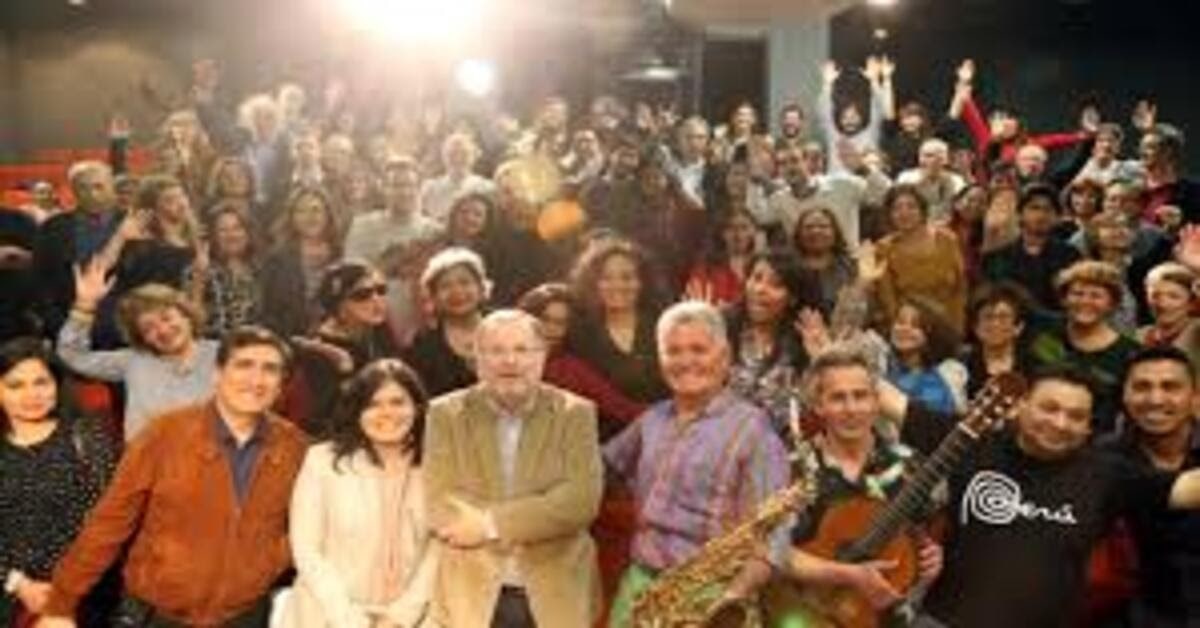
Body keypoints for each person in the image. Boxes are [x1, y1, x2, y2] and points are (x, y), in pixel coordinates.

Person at [884, 365, 1200, 628]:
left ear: (1089, 427)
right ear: (1021, 406)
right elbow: (885, 399)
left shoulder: (1108, 473)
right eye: (1049, 408)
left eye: (1076, 416)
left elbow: (1187, 489)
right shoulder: (972, 439)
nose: (1060, 423)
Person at [35, 326, 308, 627]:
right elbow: (110, 522)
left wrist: (269, 563)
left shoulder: (296, 447)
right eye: (244, 365)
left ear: (281, 385)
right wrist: (61, 603)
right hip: (160, 613)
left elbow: (311, 526)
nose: (256, 380)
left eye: (270, 369)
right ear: (217, 374)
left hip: (245, 614)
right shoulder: (164, 434)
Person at [604, 301, 790, 626]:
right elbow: (600, 467)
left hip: (711, 594)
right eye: (673, 351)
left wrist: (729, 599)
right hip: (639, 586)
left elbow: (773, 537)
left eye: (698, 350)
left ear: (725, 356)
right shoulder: (652, 419)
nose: (685, 361)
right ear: (660, 360)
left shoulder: (754, 430)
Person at [422, 309, 603, 628]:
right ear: (477, 358)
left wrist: (491, 525)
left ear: (542, 356)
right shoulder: (444, 414)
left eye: (522, 349)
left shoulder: (576, 414)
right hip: (472, 591)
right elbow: (440, 501)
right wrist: (539, 513)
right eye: (496, 350)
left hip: (558, 591)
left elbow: (580, 501)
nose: (510, 361)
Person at [766, 346, 944, 627]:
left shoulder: (910, 466)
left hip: (886, 618)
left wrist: (931, 562)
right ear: (818, 405)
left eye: (860, 396)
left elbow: (925, 542)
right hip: (804, 615)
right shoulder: (789, 469)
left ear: (876, 401)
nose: (851, 409)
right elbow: (769, 551)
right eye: (838, 398)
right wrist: (846, 574)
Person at [278, 359, 438, 628]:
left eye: (397, 402)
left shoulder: (439, 466)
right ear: (357, 412)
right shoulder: (322, 461)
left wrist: (402, 616)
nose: (386, 413)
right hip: (327, 616)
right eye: (373, 404)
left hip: (411, 620)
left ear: (417, 407)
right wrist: (349, 618)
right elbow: (306, 549)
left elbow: (439, 550)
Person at [0, 338, 119, 628]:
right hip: (11, 588)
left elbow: (111, 520)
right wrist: (19, 584)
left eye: (41, 382)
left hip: (86, 587)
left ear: (57, 386)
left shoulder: (87, 437)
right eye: (16, 385)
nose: (32, 395)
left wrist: (65, 595)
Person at [57, 262, 219, 440]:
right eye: (149, 328)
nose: (163, 331)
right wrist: (84, 306)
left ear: (185, 314)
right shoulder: (133, 361)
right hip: (147, 455)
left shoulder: (222, 354)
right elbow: (72, 355)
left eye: (166, 318)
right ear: (141, 338)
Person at [1101, 346, 1200, 626]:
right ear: (1124, 395)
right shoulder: (1100, 459)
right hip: (1128, 615)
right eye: (1142, 387)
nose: (1155, 399)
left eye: (1170, 387)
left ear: (1195, 397)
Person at [566, 239, 668, 439]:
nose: (617, 285)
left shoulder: (664, 326)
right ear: (593, 283)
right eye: (606, 278)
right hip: (603, 442)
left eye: (627, 277)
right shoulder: (579, 335)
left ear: (642, 282)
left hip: (664, 437)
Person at [1025, 260, 1141, 435]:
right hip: (1037, 431)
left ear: (1112, 303)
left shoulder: (1129, 353)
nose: (1085, 301)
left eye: (1096, 296)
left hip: (1094, 441)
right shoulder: (1043, 332)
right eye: (1077, 294)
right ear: (1064, 299)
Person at [287, 261, 401, 435]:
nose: (377, 299)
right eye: (362, 295)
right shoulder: (318, 351)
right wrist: (345, 369)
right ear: (338, 305)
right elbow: (330, 418)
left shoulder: (379, 330)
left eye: (381, 290)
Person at [34, 161, 124, 347]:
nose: (92, 194)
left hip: (128, 329)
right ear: (73, 191)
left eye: (99, 186)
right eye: (83, 188)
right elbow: (40, 280)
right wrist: (56, 324)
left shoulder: (134, 223)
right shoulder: (53, 227)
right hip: (69, 325)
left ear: (112, 187)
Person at [875, 184, 968, 334]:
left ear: (922, 210)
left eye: (911, 207)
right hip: (909, 328)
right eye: (897, 208)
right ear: (889, 215)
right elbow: (888, 300)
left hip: (948, 323)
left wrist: (957, 328)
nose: (904, 213)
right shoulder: (883, 248)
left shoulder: (947, 239)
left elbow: (960, 288)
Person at [982, 184, 1082, 311]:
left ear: (1057, 218)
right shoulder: (997, 259)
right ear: (1020, 214)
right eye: (1034, 208)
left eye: (1048, 209)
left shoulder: (1070, 256)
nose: (1041, 215)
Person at [404, 247, 490, 397]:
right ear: (433, 296)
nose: (457, 292)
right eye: (445, 286)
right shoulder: (423, 346)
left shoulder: (508, 324)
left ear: (481, 288)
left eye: (464, 282)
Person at [259, 186, 342, 338]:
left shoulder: (341, 253)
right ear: (292, 217)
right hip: (288, 339)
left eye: (316, 210)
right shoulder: (277, 258)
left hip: (335, 338)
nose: (310, 217)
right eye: (301, 211)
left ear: (328, 215)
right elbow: (268, 310)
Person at [960, 282, 1035, 398]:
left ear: (1018, 327)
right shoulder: (961, 366)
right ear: (976, 327)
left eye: (1003, 317)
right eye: (988, 317)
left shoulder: (1034, 366)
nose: (995, 324)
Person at [420, 133, 496, 224]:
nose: (458, 158)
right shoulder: (430, 189)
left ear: (474, 157)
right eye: (452, 154)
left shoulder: (488, 188)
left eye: (464, 154)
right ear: (443, 157)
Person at [1138, 262, 1200, 371]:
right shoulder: (1139, 336)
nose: (1163, 304)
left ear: (1191, 303)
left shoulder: (1197, 330)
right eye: (1155, 295)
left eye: (1174, 297)